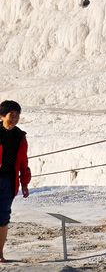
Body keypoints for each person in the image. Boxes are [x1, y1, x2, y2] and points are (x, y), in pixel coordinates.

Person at [0, 100, 31, 264]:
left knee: (3, 217)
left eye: (17, 116)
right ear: (2, 115)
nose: (15, 119)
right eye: (12, 115)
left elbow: (23, 162)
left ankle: (0, 254)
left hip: (8, 182)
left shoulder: (20, 136)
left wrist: (24, 183)